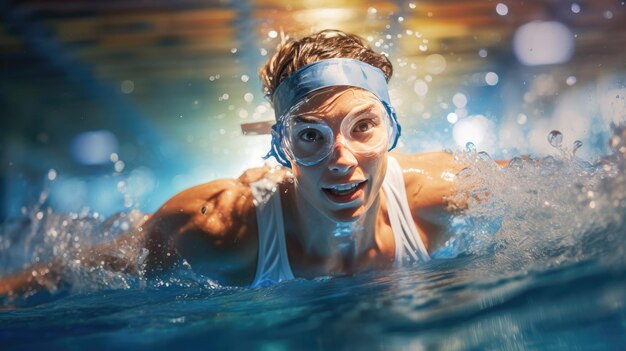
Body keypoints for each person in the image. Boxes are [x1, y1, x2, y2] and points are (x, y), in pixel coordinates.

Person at [0, 30, 474, 296]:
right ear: (281, 147)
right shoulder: (218, 227)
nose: (341, 159)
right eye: (310, 135)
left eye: (363, 127)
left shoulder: (441, 192)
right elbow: (69, 272)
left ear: (392, 127)